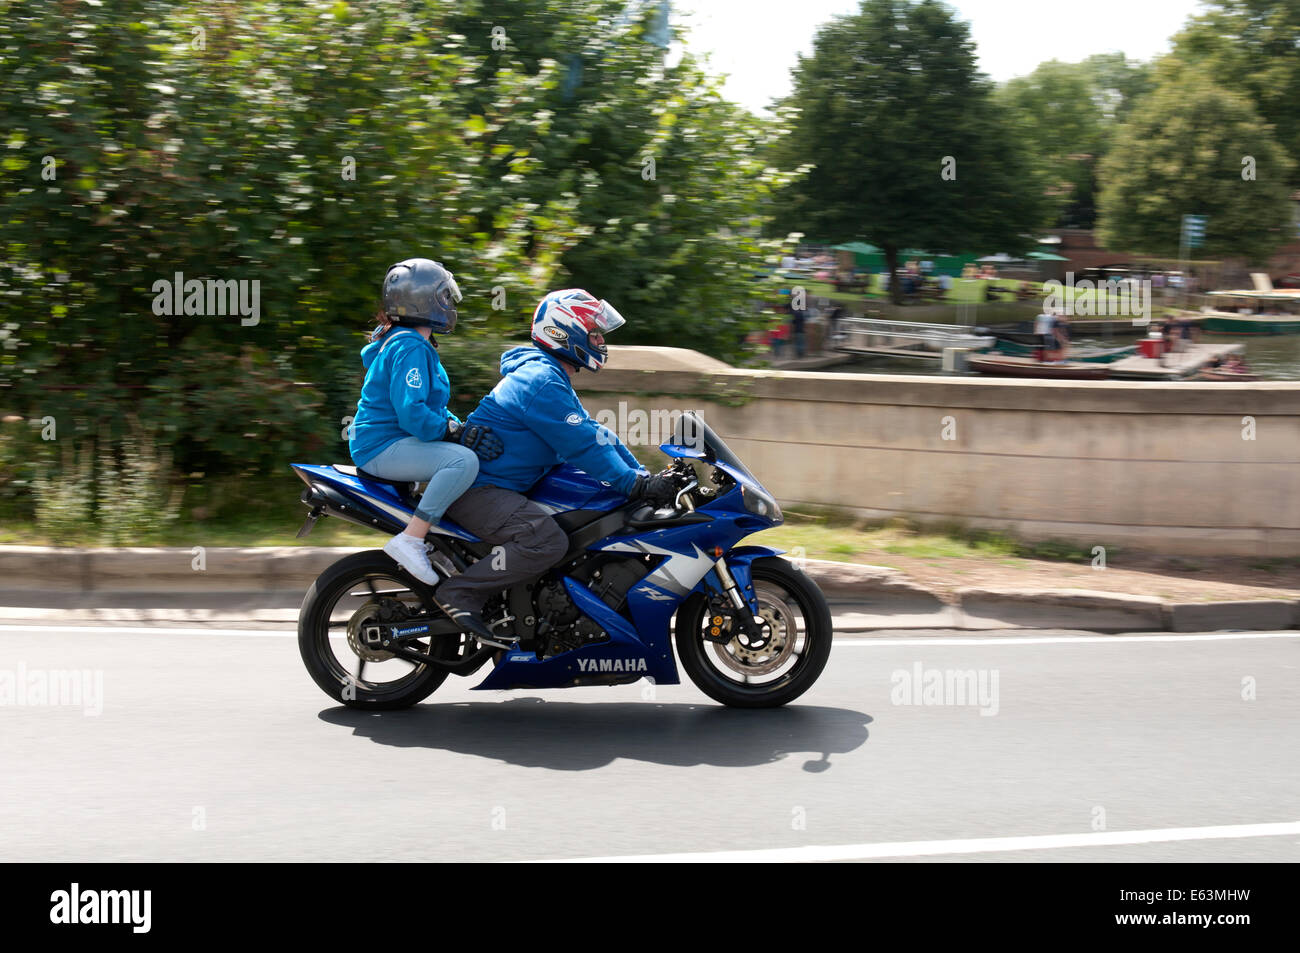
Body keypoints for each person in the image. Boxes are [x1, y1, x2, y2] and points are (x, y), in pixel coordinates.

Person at [433, 289, 680, 641]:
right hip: (477, 490)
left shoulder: (549, 375)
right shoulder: (541, 381)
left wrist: (641, 478)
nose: (599, 341)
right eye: (594, 333)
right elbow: (580, 445)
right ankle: (460, 593)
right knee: (545, 540)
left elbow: (596, 435)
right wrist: (634, 486)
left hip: (498, 486)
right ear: (565, 332)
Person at [349, 258, 505, 585]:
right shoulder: (409, 346)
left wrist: (460, 428)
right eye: (445, 297)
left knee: (462, 455)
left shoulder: (413, 343)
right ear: (424, 301)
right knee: (462, 463)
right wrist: (454, 433)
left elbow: (429, 406)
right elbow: (412, 413)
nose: (449, 305)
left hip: (392, 442)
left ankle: (437, 541)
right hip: (382, 447)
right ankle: (412, 539)